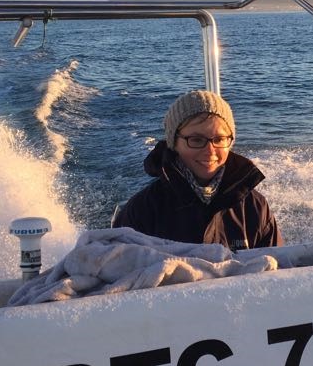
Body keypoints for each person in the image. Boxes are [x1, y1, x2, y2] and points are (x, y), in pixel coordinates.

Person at [113, 89, 282, 250]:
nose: (210, 151)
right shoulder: (142, 211)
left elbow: (278, 267)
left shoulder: (255, 208)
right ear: (174, 143)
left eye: (219, 139)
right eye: (196, 139)